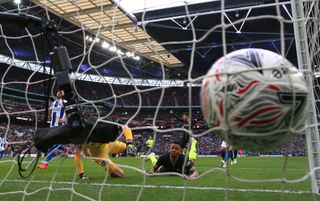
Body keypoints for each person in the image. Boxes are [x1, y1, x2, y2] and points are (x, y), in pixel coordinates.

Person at [38, 90, 70, 170]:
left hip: (59, 125)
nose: (59, 93)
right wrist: (49, 107)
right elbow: (50, 114)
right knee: (53, 143)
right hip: (52, 126)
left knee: (52, 144)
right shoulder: (53, 103)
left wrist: (64, 118)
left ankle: (45, 163)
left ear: (63, 94)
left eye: (61, 92)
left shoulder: (65, 102)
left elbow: (69, 112)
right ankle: (65, 148)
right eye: (58, 92)